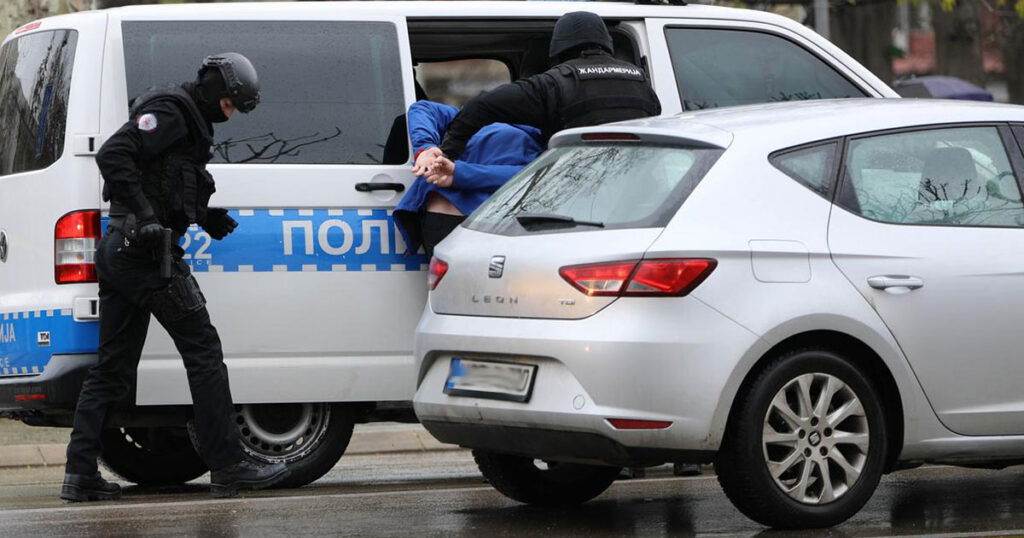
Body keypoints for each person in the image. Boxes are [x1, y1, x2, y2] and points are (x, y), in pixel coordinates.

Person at [61, 53, 288, 502]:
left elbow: (163, 182)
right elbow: (114, 154)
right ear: (214, 88)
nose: (228, 115)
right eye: (228, 104)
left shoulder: (187, 124)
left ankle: (79, 473)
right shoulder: (171, 112)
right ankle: (228, 465)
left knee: (112, 370)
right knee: (204, 351)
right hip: (143, 253)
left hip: (125, 252)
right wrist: (146, 219)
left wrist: (204, 216)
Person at [437, 11, 661, 161]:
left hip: (576, 185)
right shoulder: (640, 79)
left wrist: (447, 153)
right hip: (635, 186)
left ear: (558, 46)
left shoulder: (554, 84)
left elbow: (481, 106)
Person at [394, 100, 543, 257]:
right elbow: (422, 108)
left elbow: (531, 175)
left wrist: (459, 173)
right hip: (479, 226)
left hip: (459, 221)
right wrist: (426, 149)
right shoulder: (481, 118)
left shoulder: (541, 139)